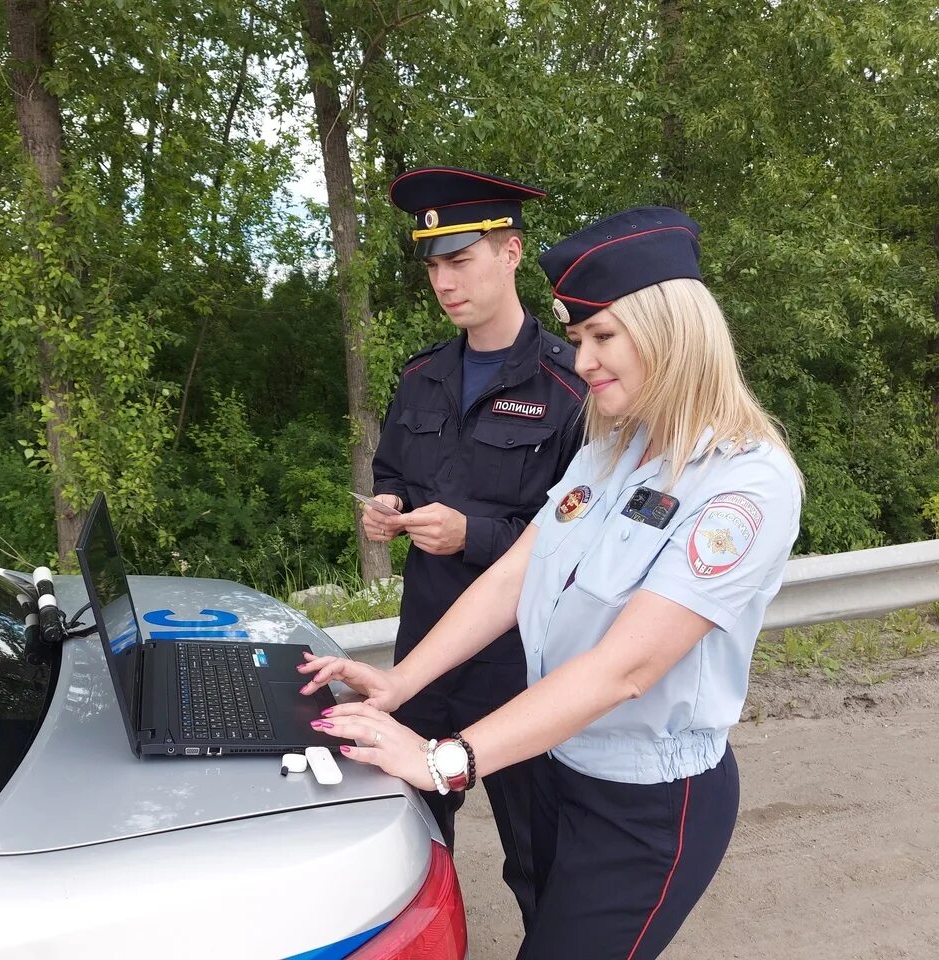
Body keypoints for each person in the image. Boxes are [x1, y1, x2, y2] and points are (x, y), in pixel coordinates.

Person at [302, 206, 803, 959]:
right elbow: (516, 572)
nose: (583, 361)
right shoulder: (615, 447)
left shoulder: (746, 483)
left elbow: (625, 669)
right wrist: (398, 686)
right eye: (576, 340)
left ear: (673, 331)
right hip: (562, 766)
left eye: (603, 337)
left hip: (647, 807)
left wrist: (445, 759)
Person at [361, 166, 587, 926]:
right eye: (432, 265)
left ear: (512, 252)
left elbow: (584, 543)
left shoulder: (571, 387)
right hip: (423, 652)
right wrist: (387, 504)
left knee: (540, 858)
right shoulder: (422, 375)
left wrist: (474, 534)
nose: (443, 282)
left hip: (520, 665)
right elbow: (392, 468)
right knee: (414, 853)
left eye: (459, 260)